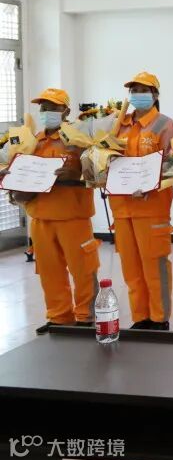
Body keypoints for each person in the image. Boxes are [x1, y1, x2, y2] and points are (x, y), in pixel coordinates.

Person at [8, 89, 100, 334]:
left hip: (73, 218)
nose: (46, 112)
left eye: (53, 107)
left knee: (83, 270)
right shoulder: (32, 142)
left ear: (66, 111)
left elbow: (96, 174)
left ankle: (86, 317)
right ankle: (59, 317)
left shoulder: (78, 140)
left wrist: (76, 173)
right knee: (50, 272)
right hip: (40, 218)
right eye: (43, 107)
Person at [111, 72, 173, 330]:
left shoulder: (165, 125)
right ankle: (140, 316)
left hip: (152, 207)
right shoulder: (119, 125)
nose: (137, 95)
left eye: (143, 90)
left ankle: (159, 318)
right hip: (122, 208)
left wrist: (149, 183)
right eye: (134, 90)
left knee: (154, 265)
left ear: (155, 95)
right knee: (131, 268)